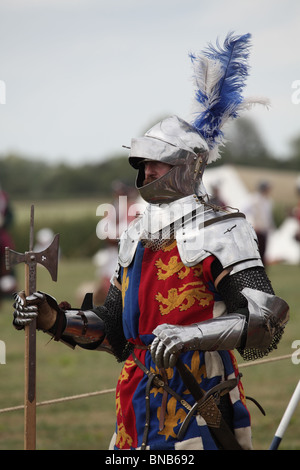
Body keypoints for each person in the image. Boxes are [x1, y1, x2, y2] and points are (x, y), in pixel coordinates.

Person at [12, 33, 289, 451]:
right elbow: (119, 334)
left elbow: (266, 319)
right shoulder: (136, 234)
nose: (147, 172)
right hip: (138, 395)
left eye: (156, 162)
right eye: (142, 164)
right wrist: (55, 319)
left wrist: (189, 335)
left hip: (199, 394)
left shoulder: (223, 228)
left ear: (185, 166)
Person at [242, 181, 275, 265]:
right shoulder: (253, 199)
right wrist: (252, 224)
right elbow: (244, 211)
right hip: (256, 230)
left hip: (264, 230)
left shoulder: (268, 201)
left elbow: (268, 217)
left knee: (263, 253)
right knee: (255, 253)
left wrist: (271, 228)